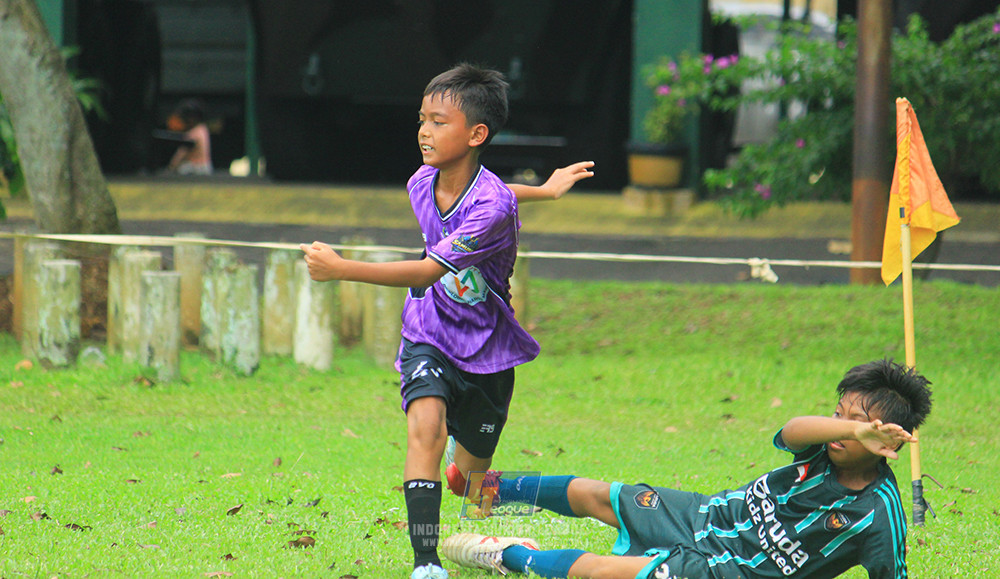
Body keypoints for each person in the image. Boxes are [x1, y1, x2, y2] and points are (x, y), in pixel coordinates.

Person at [299, 63, 595, 579]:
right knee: (425, 431)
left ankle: (475, 478)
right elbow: (481, 206)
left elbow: (433, 263)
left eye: (438, 122)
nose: (424, 131)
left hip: (488, 348)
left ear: (476, 134)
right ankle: (426, 563)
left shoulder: (493, 208)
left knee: (472, 487)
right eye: (422, 119)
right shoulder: (421, 182)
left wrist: (342, 268)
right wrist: (544, 190)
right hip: (427, 332)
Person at [442, 359, 933, 579]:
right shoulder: (826, 446)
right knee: (597, 493)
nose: (842, 428)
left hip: (730, 572)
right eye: (839, 415)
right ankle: (484, 490)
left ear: (890, 439)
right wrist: (849, 428)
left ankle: (508, 555)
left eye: (860, 423)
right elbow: (791, 430)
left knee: (603, 571)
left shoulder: (878, 513)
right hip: (709, 516)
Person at [166, 99, 213, 175]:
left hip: (196, 168)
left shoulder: (193, 133)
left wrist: (171, 166)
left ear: (192, 118)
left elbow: (182, 151)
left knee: (180, 169)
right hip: (207, 167)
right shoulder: (203, 129)